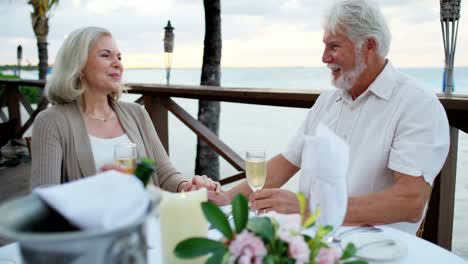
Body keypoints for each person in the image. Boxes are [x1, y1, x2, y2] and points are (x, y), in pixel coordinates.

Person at [210, 0, 450, 234]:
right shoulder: (327, 102)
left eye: (334, 47)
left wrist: (310, 209)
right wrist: (226, 198)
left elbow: (409, 203)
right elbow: (285, 163)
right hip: (311, 240)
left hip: (375, 251)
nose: (324, 58)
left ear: (369, 46)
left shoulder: (417, 104)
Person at [31, 26, 219, 193]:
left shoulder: (136, 113)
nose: (118, 64)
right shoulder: (51, 121)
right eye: (106, 55)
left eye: (119, 57)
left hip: (145, 224)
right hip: (93, 231)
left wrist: (186, 187)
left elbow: (165, 174)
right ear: (78, 65)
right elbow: (44, 199)